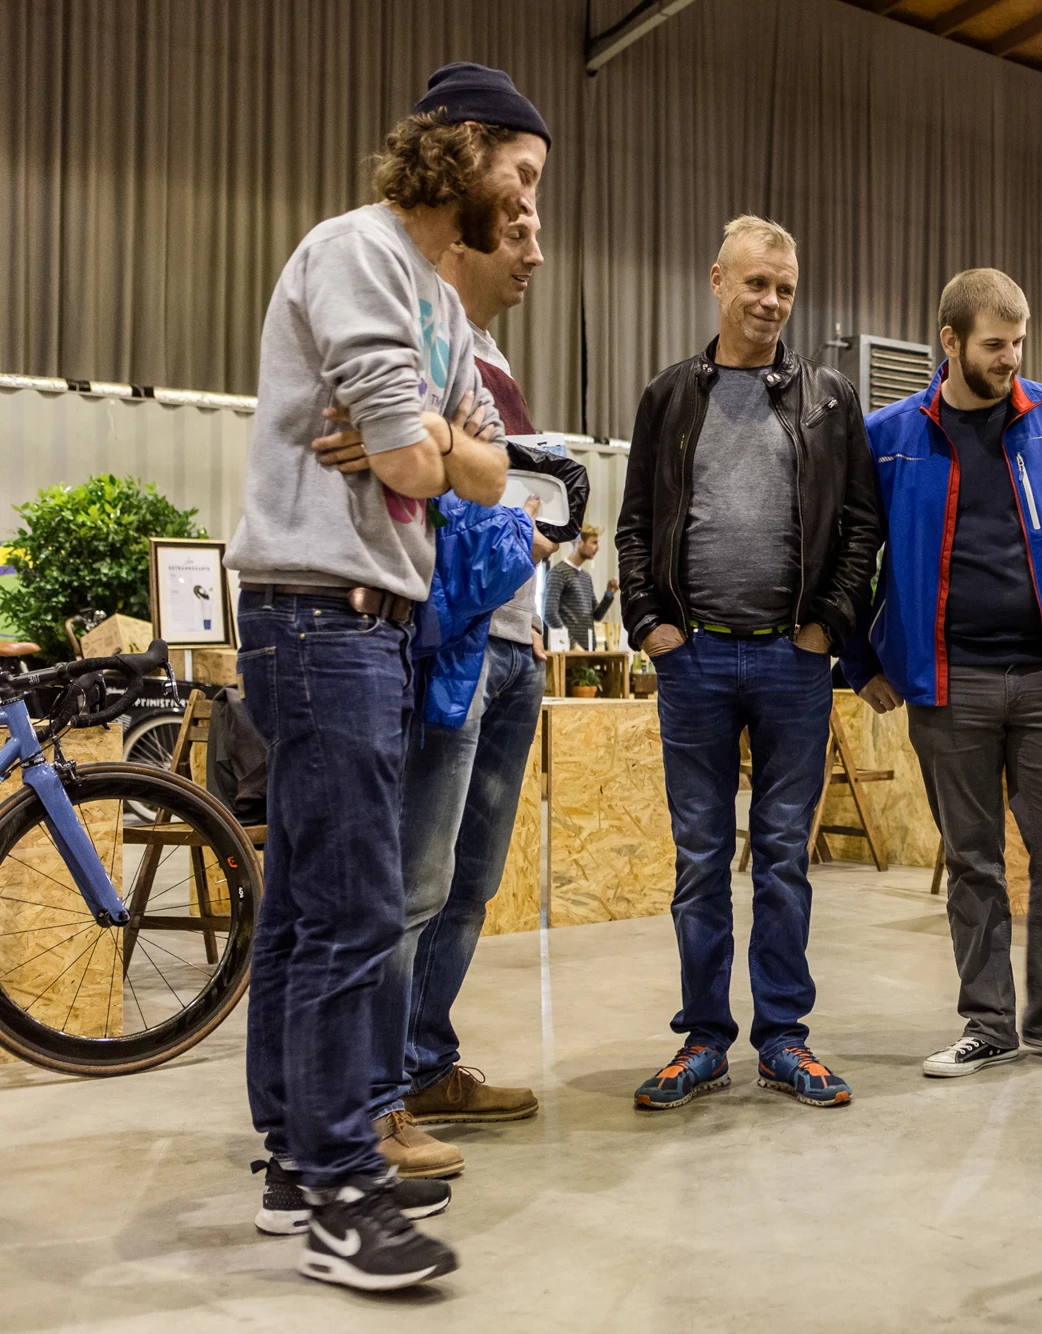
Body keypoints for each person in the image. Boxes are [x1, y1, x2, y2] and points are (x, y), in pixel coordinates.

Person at [223, 66, 541, 1290]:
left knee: (312, 909)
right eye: (517, 176)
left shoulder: (444, 311)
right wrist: (427, 445)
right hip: (315, 620)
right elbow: (416, 454)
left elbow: (483, 469)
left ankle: (298, 1166)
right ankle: (346, 1192)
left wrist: (432, 443)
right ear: (457, 153)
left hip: (374, 625)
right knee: (355, 909)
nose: (524, 210)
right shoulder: (354, 255)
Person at [840, 267, 1042, 1078]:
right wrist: (858, 658)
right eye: (995, 345)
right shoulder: (889, 436)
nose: (1011, 359)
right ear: (951, 342)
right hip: (949, 684)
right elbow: (854, 555)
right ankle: (988, 1022)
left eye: (1019, 343)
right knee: (973, 862)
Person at [617, 216, 882, 1111]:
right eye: (757, 284)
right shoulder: (667, 397)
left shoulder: (829, 398)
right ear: (718, 282)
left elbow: (859, 528)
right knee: (700, 859)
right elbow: (633, 525)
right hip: (693, 664)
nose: (771, 302)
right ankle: (702, 1039)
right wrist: (651, 624)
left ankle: (784, 1039)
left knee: (780, 857)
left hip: (792, 665)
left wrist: (826, 629)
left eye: (786, 289)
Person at [339, 142, 559, 1174]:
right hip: (443, 642)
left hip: (511, 641)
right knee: (408, 883)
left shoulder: (484, 361)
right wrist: (479, 478)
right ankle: (370, 1101)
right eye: (516, 223)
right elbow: (432, 476)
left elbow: (481, 476)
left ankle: (424, 1060)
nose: (533, 248)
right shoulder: (403, 314)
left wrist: (489, 486)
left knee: (464, 884)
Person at [544, 524, 615, 648]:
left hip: (588, 652)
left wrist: (609, 594)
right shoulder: (558, 572)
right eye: (594, 543)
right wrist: (571, 644)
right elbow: (549, 614)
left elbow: (596, 616)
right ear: (580, 543)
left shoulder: (586, 577)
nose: (597, 548)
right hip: (568, 654)